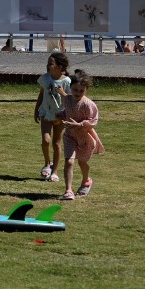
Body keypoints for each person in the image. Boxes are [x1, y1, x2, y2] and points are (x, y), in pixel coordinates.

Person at [60, 69, 104, 201]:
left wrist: (79, 125)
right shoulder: (67, 100)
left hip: (85, 138)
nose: (77, 93)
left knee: (83, 162)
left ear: (86, 90)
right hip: (70, 136)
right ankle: (68, 190)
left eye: (81, 91)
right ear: (70, 88)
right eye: (75, 90)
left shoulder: (88, 104)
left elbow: (93, 121)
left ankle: (86, 181)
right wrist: (59, 116)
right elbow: (67, 112)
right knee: (69, 161)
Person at [34, 52, 70, 181]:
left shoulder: (67, 81)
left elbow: (70, 100)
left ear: (60, 67)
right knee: (46, 140)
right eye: (48, 63)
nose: (48, 66)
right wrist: (36, 110)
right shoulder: (45, 78)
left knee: (56, 144)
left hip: (60, 116)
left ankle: (55, 171)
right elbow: (41, 94)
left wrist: (63, 93)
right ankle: (47, 164)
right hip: (46, 113)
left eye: (51, 63)